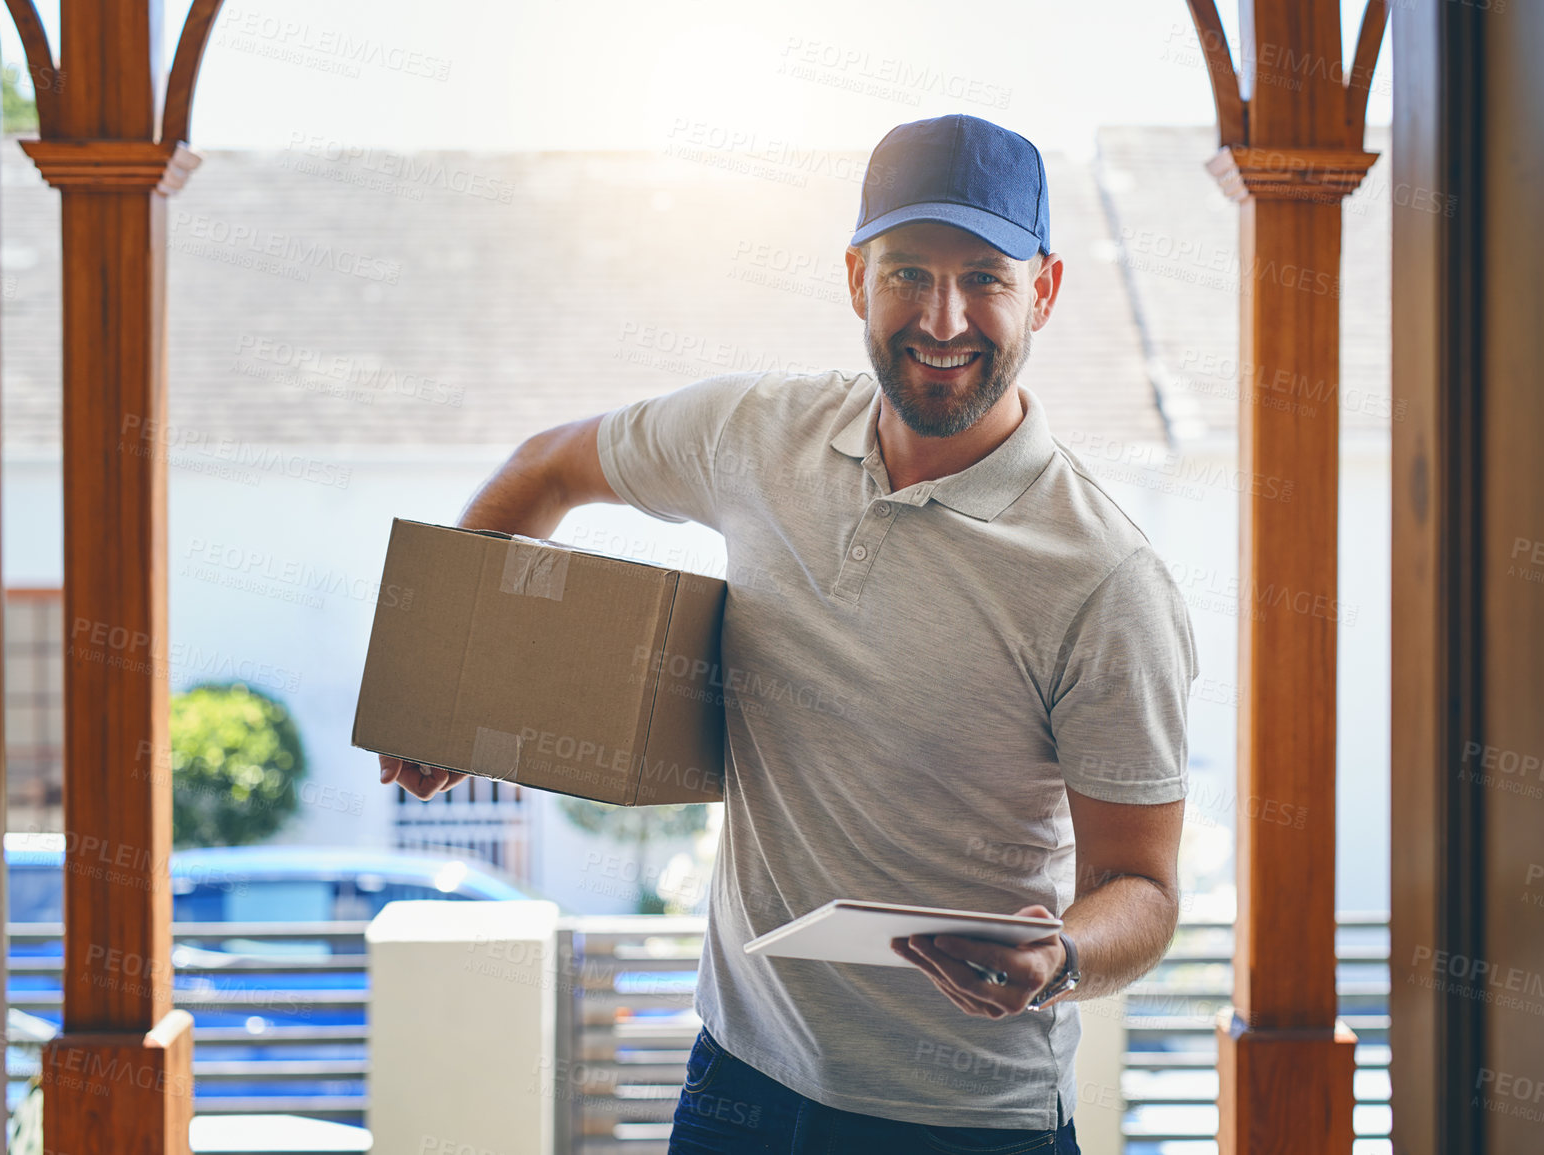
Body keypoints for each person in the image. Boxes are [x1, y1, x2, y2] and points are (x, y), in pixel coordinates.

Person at [379, 114, 1197, 1155]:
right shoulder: (756, 437)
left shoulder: (1105, 579)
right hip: (739, 1086)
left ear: (1043, 290)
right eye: (908, 273)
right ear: (856, 278)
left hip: (963, 1120)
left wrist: (1064, 955)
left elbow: (1144, 889)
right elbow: (549, 467)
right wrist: (448, 685)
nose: (943, 316)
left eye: (985, 276)